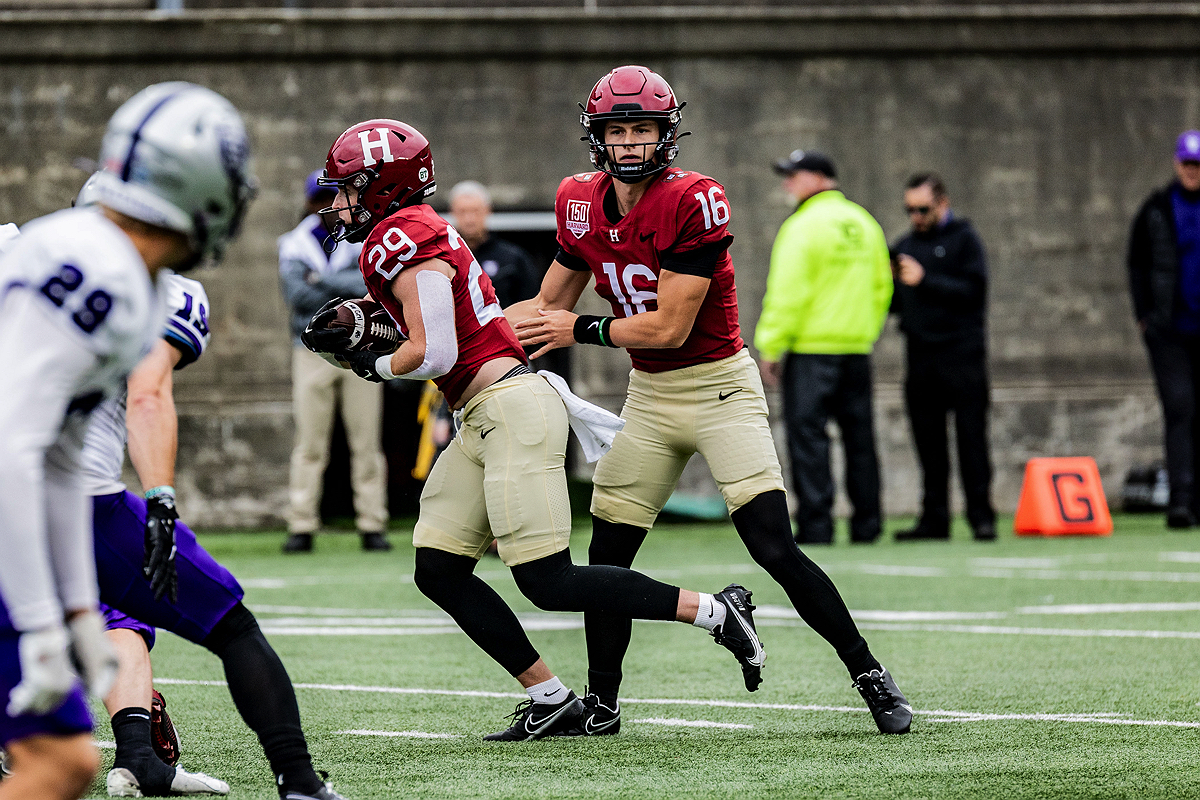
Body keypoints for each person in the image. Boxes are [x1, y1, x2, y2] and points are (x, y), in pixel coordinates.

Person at [303, 118, 767, 741]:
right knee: (438, 569)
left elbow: (435, 351)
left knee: (547, 581)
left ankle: (716, 612)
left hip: (510, 408)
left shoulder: (399, 234)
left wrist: (374, 364)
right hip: (482, 412)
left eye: (346, 189)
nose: (336, 203)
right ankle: (551, 697)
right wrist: (369, 329)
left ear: (381, 185)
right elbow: (440, 333)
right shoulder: (409, 230)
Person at [508, 65, 911, 736]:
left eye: (642, 129)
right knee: (608, 556)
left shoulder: (694, 198)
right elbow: (547, 304)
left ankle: (870, 674)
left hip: (719, 386)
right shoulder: (578, 200)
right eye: (618, 130)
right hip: (651, 396)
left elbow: (668, 326)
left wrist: (579, 329)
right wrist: (455, 334)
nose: (630, 143)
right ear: (597, 137)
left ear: (666, 135)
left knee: (772, 546)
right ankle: (602, 705)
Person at [70, 83, 348, 800]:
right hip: (74, 500)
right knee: (232, 625)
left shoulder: (19, 249)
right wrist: (160, 498)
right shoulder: (167, 292)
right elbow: (147, 390)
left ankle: (140, 752)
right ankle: (300, 781)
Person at [0, 81, 251, 800]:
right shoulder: (90, 282)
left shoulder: (114, 290)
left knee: (64, 758)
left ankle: (135, 751)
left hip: (71, 491)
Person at [754, 149, 892, 546]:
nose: (787, 184)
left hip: (812, 350)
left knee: (809, 438)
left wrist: (771, 347)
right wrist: (866, 330)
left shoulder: (803, 225)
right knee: (860, 440)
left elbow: (788, 293)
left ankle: (818, 526)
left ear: (818, 178)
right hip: (856, 350)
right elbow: (883, 287)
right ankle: (868, 525)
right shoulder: (865, 223)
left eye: (793, 175)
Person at [279, 171, 390, 553]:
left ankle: (372, 523)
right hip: (308, 349)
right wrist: (336, 285)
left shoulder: (362, 237)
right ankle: (302, 523)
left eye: (335, 197)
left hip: (361, 344)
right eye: (321, 199)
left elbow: (366, 287)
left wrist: (320, 281)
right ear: (310, 204)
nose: (329, 206)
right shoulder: (294, 245)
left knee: (366, 439)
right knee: (310, 440)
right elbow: (297, 297)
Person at [890, 173, 996, 541]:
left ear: (942, 204)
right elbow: (895, 304)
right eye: (910, 210)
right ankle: (934, 520)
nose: (916, 216)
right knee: (928, 444)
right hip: (920, 358)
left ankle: (982, 517)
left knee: (972, 442)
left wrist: (926, 279)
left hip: (962, 356)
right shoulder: (904, 246)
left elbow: (973, 292)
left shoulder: (964, 240)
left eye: (923, 209)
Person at [1129, 130, 1200, 529]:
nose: (1193, 171)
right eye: (1188, 164)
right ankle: (1180, 499)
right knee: (1180, 410)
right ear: (1177, 164)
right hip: (1170, 331)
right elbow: (1136, 263)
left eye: (1198, 165)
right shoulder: (1156, 208)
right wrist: (1145, 315)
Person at [448, 181, 542, 307]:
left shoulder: (513, 259)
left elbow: (531, 305)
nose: (469, 219)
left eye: (475, 211)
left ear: (488, 211)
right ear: (452, 213)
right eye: (462, 212)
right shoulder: (444, 258)